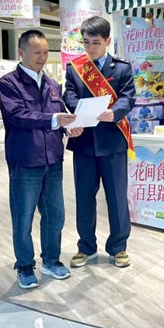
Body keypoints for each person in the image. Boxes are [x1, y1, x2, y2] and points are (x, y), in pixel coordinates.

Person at [0, 30, 83, 289]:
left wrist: (69, 127)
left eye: (46, 52)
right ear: (21, 52)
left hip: (53, 160)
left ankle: (51, 260)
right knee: (23, 217)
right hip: (25, 161)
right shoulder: (8, 83)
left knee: (55, 215)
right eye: (37, 52)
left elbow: (59, 115)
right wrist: (54, 120)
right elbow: (17, 116)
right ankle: (25, 265)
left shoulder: (52, 84)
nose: (42, 57)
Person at [63, 16, 136, 268]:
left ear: (107, 41)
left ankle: (118, 247)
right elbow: (68, 94)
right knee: (84, 198)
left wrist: (114, 112)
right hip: (84, 142)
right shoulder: (75, 68)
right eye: (86, 42)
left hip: (112, 142)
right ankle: (86, 247)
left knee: (116, 198)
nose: (91, 47)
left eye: (96, 43)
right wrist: (80, 109)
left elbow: (128, 97)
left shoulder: (122, 68)